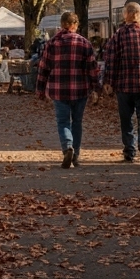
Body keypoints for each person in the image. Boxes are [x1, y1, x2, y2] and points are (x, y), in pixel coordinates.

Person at [100, 2, 140, 166]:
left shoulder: (118, 35)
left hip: (124, 85)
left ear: (125, 15)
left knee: (126, 119)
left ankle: (129, 151)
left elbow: (111, 60)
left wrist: (109, 82)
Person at [37, 11, 98, 168]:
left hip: (59, 90)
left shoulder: (51, 44)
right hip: (80, 89)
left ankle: (67, 147)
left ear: (61, 25)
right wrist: (95, 87)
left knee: (63, 121)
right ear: (75, 25)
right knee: (77, 121)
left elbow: (43, 68)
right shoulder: (85, 43)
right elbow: (92, 68)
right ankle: (75, 154)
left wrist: (40, 89)